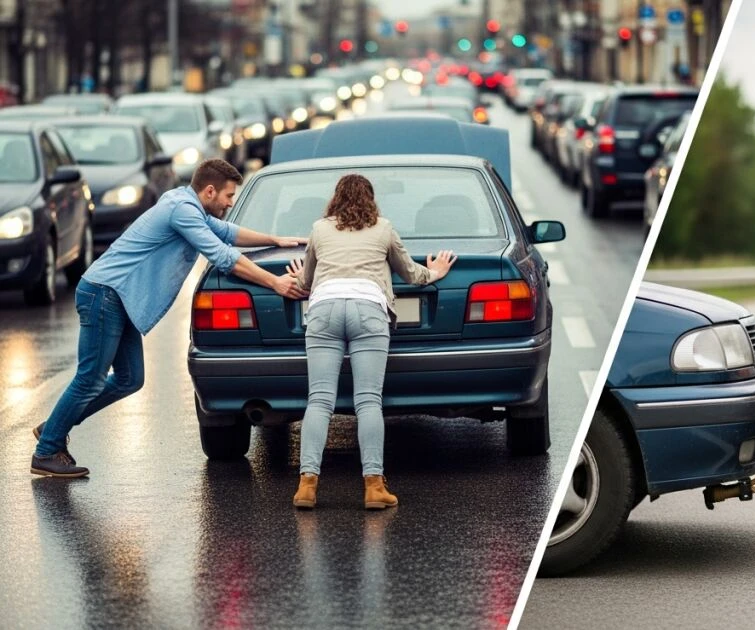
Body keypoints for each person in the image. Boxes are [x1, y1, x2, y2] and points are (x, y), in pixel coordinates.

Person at [31, 159, 309, 478]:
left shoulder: (188, 204)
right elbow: (222, 256)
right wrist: (275, 282)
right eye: (229, 196)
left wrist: (274, 240)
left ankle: (55, 425)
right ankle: (47, 450)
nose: (231, 203)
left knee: (129, 379)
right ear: (209, 190)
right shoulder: (183, 211)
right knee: (91, 377)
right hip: (105, 294)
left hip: (119, 298)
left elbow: (228, 232)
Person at [287, 174, 456, 510]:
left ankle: (306, 486)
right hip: (368, 310)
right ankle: (373, 487)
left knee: (319, 400)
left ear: (335, 199)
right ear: (371, 199)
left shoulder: (320, 229)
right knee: (367, 401)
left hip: (324, 311)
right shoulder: (383, 228)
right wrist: (435, 272)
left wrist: (298, 274)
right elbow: (411, 273)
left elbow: (305, 281)